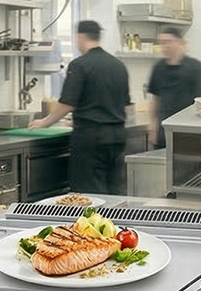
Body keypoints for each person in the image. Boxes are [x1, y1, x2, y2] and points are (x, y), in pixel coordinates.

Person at [31, 20, 131, 194]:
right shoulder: (118, 65)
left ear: (80, 37)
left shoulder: (79, 65)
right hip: (117, 136)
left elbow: (67, 104)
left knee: (89, 193)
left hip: (91, 139)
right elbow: (122, 102)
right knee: (115, 190)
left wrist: (45, 122)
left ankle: (93, 214)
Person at [143, 27, 201, 150]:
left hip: (187, 129)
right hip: (163, 129)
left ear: (180, 43)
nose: (165, 46)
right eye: (162, 43)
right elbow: (154, 99)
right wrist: (152, 126)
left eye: (169, 41)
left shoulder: (196, 68)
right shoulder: (158, 68)